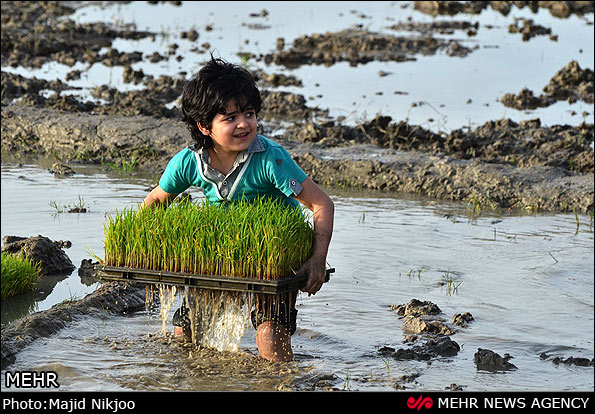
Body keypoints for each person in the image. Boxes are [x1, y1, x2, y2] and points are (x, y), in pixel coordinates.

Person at [141, 56, 334, 362]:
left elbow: (321, 203)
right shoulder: (188, 162)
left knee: (270, 332)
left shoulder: (272, 159)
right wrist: (145, 250)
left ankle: (279, 381)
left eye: (249, 113)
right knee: (186, 329)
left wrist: (317, 260)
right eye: (230, 117)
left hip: (273, 258)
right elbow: (155, 202)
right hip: (223, 256)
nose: (244, 123)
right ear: (204, 126)